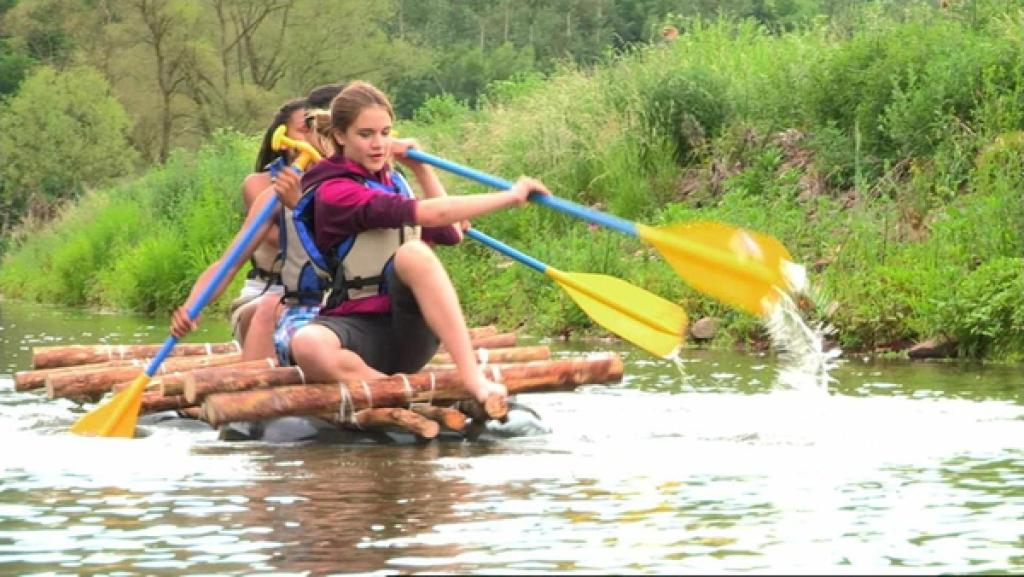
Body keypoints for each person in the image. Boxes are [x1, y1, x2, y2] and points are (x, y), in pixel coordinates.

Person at [286, 80, 551, 405]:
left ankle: (472, 379)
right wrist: (510, 196)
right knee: (307, 343)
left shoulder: (394, 183)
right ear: (340, 136)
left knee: (414, 253)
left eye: (385, 132)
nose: (378, 144)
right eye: (365, 134)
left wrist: (421, 170)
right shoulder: (335, 192)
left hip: (409, 331)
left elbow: (452, 232)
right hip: (356, 327)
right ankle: (399, 394)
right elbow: (433, 213)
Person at [227, 97, 309, 347]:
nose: (315, 137)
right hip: (266, 294)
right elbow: (283, 239)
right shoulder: (259, 185)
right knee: (270, 307)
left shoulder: (336, 184)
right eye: (305, 130)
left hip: (318, 300)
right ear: (282, 138)